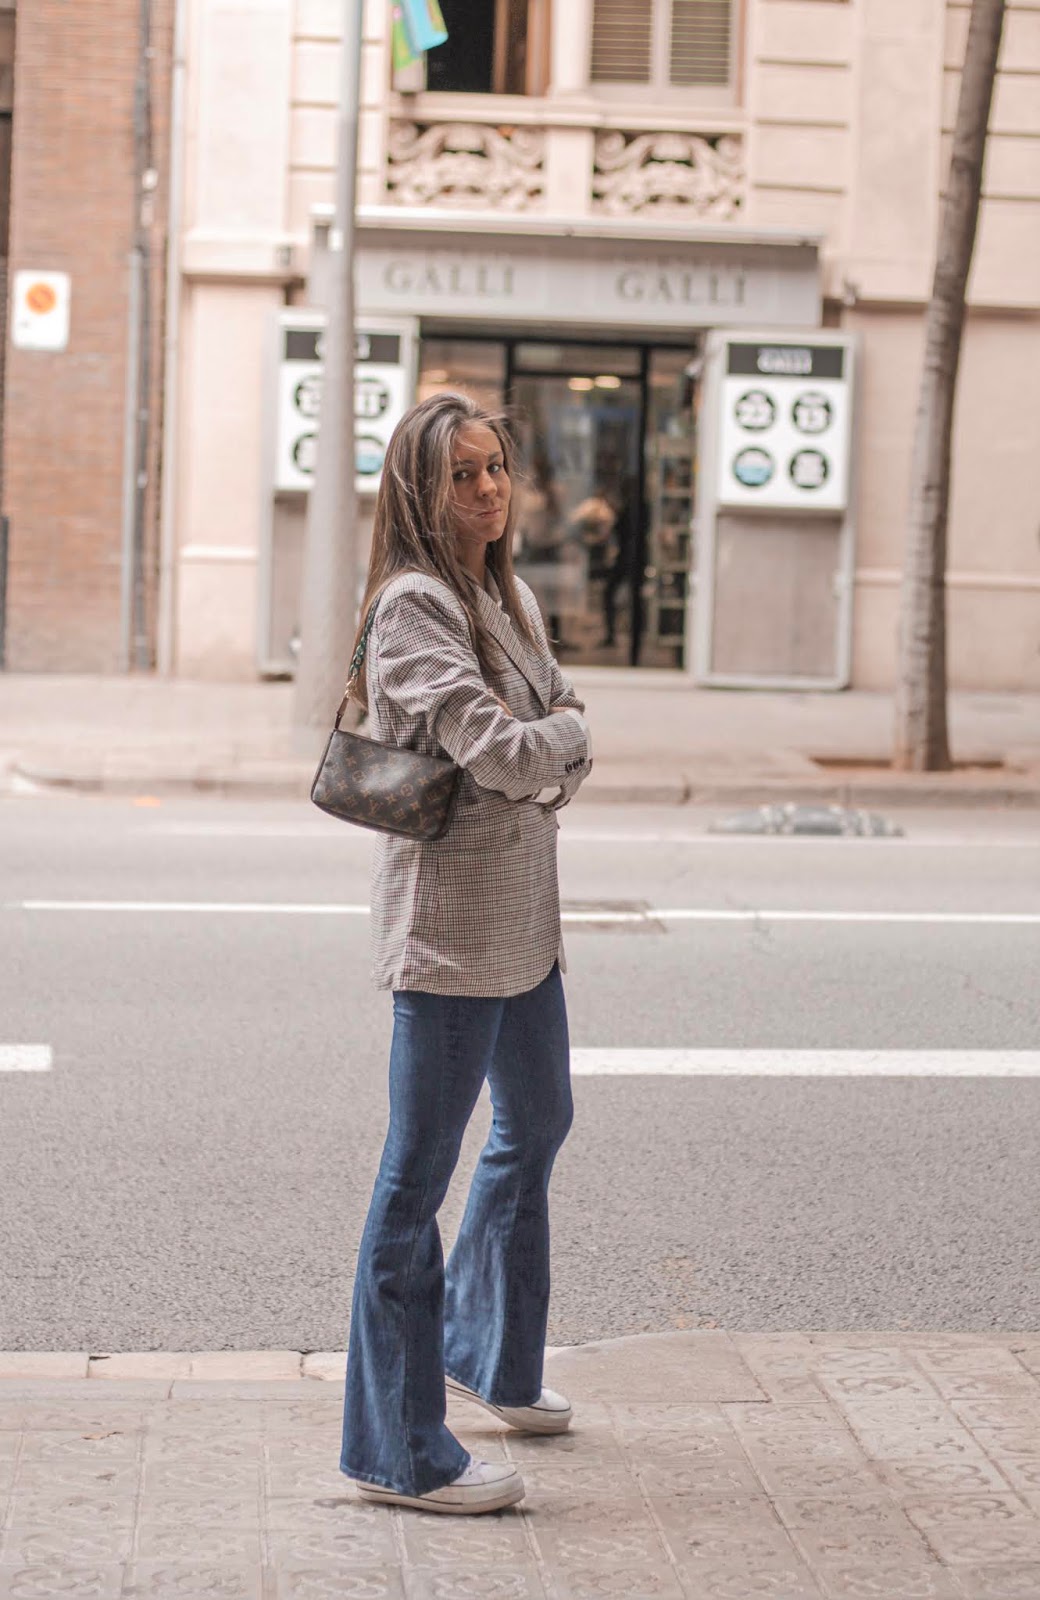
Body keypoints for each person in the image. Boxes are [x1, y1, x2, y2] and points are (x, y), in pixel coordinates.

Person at [339, 392, 593, 1516]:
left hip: (524, 922)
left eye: (495, 468)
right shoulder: (413, 609)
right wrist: (564, 742)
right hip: (447, 934)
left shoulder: (510, 594)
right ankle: (400, 1452)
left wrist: (555, 739)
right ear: (419, 490)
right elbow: (506, 751)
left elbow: (552, 721)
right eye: (461, 475)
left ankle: (487, 1352)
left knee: (538, 1122)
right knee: (412, 1185)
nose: (488, 490)